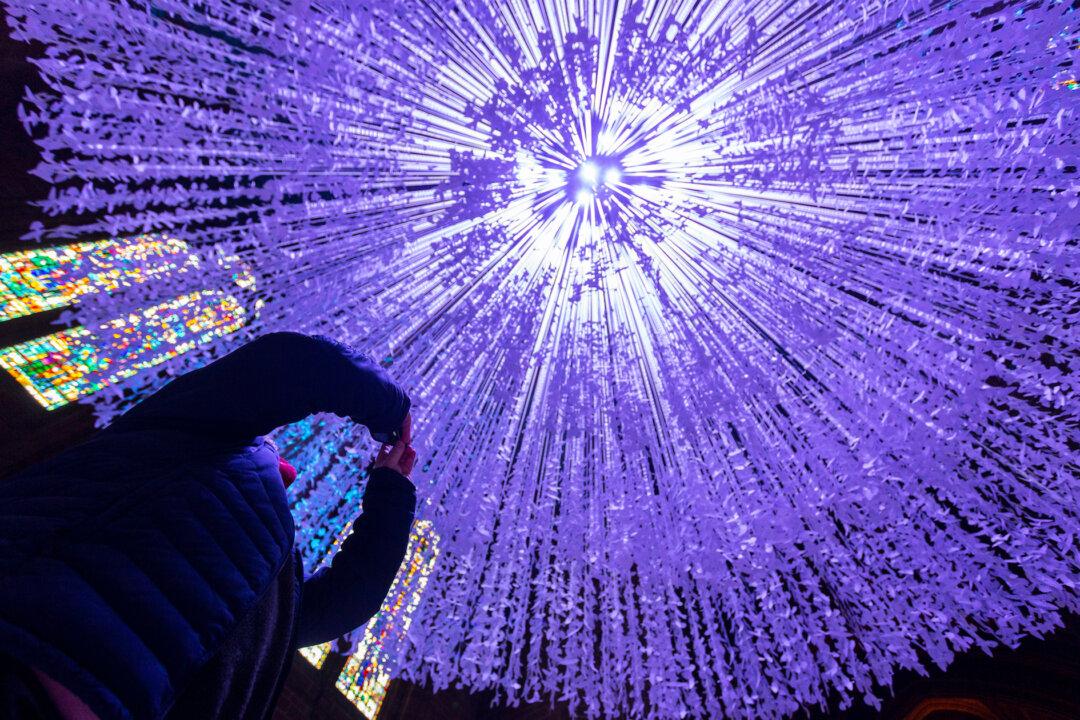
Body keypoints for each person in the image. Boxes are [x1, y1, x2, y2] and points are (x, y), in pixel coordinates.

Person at [0, 332, 418, 719]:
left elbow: (350, 597)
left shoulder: (278, 581)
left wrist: (391, 488)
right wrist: (390, 411)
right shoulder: (183, 437)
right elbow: (292, 367)